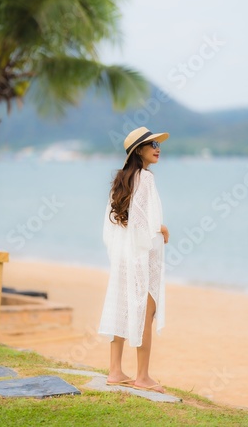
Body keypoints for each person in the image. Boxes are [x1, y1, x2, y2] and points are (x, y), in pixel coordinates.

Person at [98, 126, 169, 393]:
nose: (157, 148)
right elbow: (144, 222)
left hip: (123, 255)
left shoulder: (122, 180)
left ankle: (115, 371)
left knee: (122, 306)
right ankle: (142, 376)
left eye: (158, 144)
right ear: (138, 150)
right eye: (151, 145)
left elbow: (115, 224)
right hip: (141, 255)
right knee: (145, 312)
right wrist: (161, 229)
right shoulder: (146, 179)